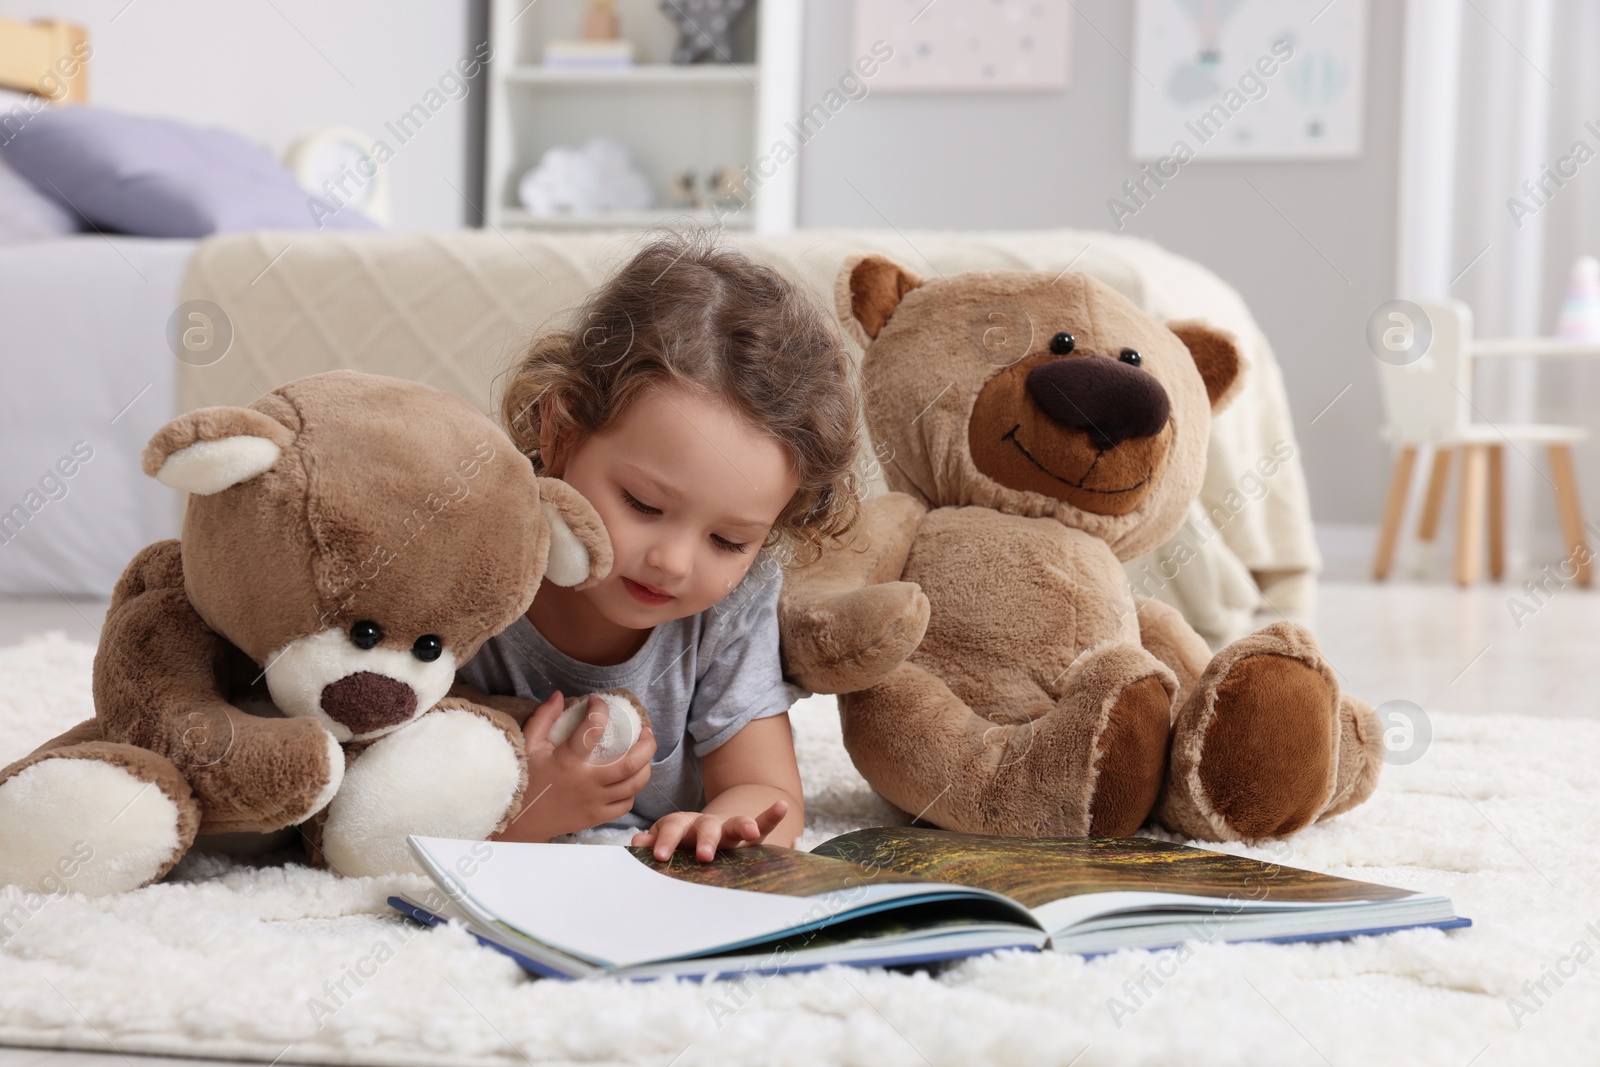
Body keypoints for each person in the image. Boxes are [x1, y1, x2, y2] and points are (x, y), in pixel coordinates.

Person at [453, 231, 861, 863]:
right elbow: (386, 784)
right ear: (560, 434)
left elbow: (766, 791)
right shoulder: (473, 564)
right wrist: (531, 811)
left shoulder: (729, 611)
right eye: (643, 505)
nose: (672, 562)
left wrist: (724, 828)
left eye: (729, 540)